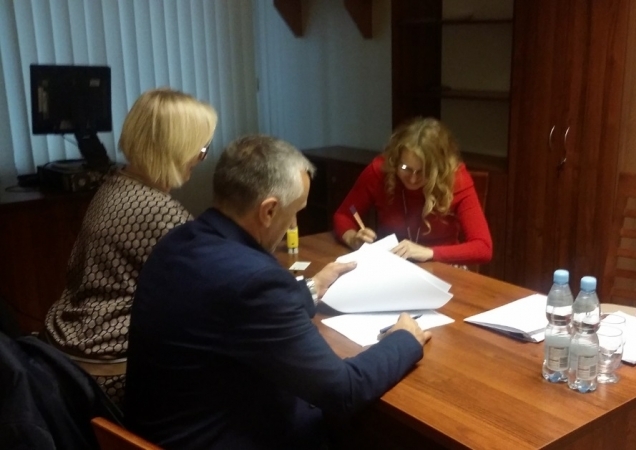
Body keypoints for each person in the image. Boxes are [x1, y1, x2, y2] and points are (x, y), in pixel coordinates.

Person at [124, 135, 431, 449]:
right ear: (268, 211)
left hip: (165, 431)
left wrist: (312, 288)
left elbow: (232, 312)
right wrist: (404, 339)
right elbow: (343, 390)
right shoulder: (255, 280)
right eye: (295, 211)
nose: (293, 223)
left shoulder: (177, 242)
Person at [43, 88, 218, 405]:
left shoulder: (116, 183)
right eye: (201, 148)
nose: (201, 158)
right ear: (177, 148)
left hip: (68, 345)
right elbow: (213, 288)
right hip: (110, 365)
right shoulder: (158, 211)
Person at [333, 117, 492, 266]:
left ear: (438, 169)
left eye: (423, 172)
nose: (413, 179)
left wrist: (429, 252)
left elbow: (483, 247)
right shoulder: (381, 170)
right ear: (395, 160)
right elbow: (344, 215)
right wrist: (353, 238)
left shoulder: (456, 179)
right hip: (391, 264)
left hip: (442, 266)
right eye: (405, 168)